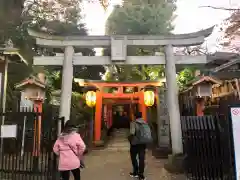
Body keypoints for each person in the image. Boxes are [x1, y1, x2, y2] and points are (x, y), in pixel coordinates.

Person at [128, 112, 152, 180]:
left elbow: (132, 133)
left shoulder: (134, 123)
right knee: (141, 159)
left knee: (133, 157)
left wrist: (130, 139)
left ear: (135, 117)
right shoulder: (145, 123)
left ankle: (135, 172)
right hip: (143, 143)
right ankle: (141, 175)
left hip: (135, 143)